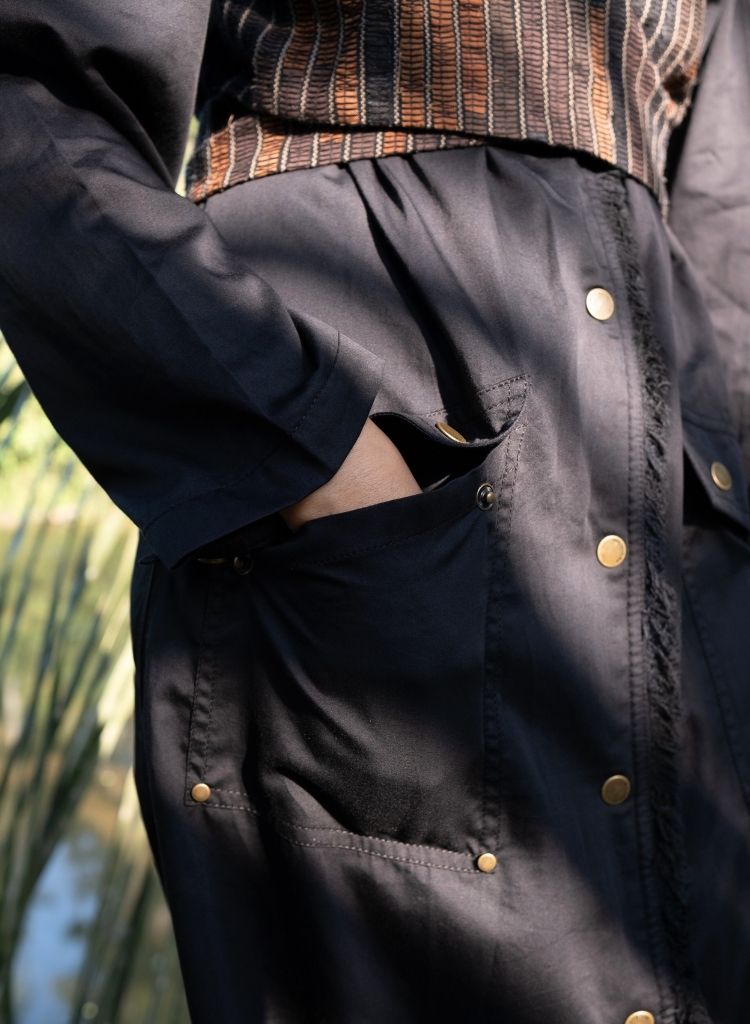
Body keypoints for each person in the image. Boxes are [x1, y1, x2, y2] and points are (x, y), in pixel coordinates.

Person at [1, 1, 748, 1021]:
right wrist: (310, 449)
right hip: (381, 430)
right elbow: (31, 96)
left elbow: (729, 231)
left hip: (687, 530)